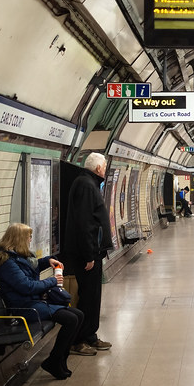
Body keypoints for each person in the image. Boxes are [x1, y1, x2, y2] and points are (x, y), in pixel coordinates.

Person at [0, 223, 84, 380]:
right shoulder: (7, 264)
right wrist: (53, 281)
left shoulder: (16, 257)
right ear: (19, 239)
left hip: (34, 303)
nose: (30, 239)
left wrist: (47, 261)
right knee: (71, 319)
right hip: (25, 308)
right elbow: (27, 286)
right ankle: (54, 361)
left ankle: (60, 360)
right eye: (28, 237)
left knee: (78, 315)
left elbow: (30, 270)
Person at [62, 152, 112, 355]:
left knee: (93, 297)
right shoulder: (85, 185)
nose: (106, 170)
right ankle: (78, 339)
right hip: (87, 255)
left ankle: (90, 335)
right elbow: (84, 223)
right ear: (99, 168)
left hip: (93, 253)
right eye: (105, 166)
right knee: (87, 297)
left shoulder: (89, 183)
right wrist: (89, 255)